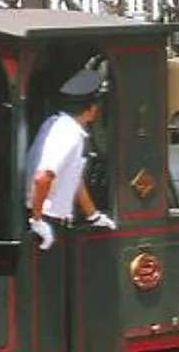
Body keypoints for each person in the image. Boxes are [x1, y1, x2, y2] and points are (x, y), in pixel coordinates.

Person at [22, 67, 118, 250]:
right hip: (47, 223)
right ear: (92, 108)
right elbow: (42, 178)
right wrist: (37, 220)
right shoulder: (68, 135)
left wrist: (93, 216)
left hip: (50, 219)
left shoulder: (56, 123)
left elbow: (73, 177)